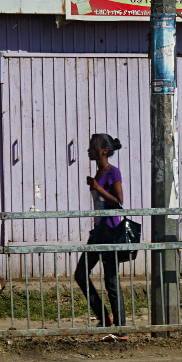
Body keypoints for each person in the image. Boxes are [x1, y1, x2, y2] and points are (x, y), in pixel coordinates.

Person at [74, 133, 127, 340]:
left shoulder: (113, 172)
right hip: (98, 232)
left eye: (92, 147)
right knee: (80, 274)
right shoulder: (98, 173)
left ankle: (122, 330)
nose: (88, 150)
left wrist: (97, 188)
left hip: (111, 232)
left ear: (103, 151)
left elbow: (119, 202)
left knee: (111, 280)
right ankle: (105, 319)